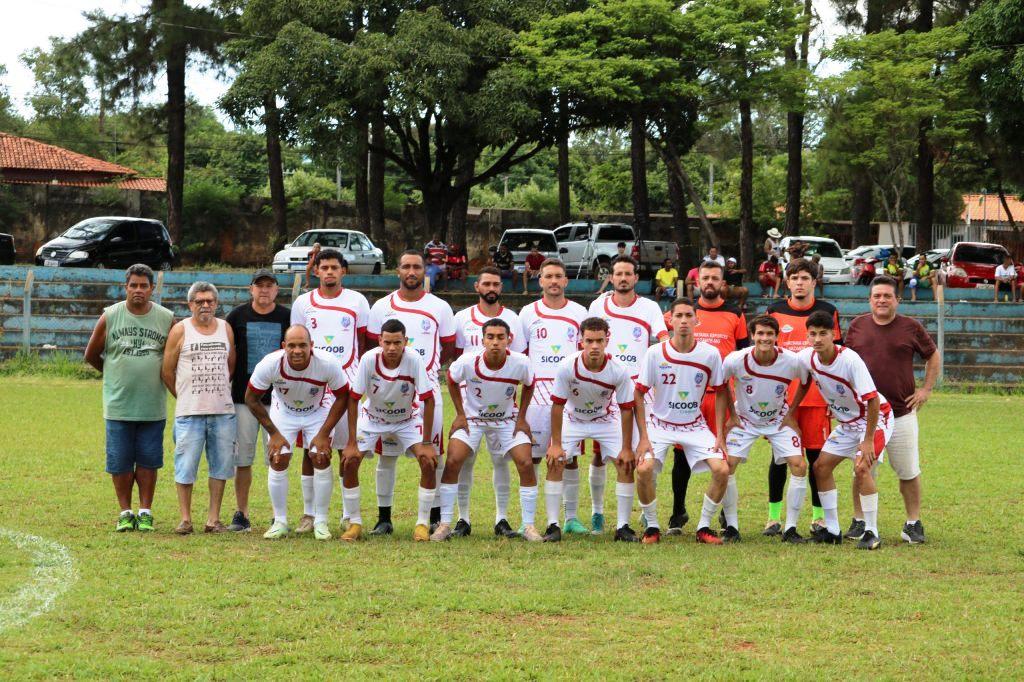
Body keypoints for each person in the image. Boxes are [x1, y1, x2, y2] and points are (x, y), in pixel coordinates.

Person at [365, 250, 456, 535]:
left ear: (425, 271)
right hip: (388, 391)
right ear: (399, 271)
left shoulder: (440, 307)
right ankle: (384, 518)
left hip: (427, 392)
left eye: (417, 267)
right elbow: (372, 345)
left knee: (432, 455)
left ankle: (433, 516)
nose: (411, 272)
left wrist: (422, 374)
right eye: (406, 267)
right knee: (386, 456)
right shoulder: (381, 306)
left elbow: (449, 348)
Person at [844, 275, 939, 544]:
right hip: (867, 416)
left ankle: (912, 522)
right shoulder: (857, 326)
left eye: (887, 296)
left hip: (900, 413)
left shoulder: (910, 327)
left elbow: (932, 355)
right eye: (877, 296)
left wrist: (926, 389)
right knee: (861, 469)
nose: (882, 300)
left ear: (897, 299)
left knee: (908, 471)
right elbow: (846, 364)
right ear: (870, 300)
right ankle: (859, 520)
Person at [790, 310, 894, 550]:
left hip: (876, 419)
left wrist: (867, 440)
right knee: (820, 467)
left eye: (823, 334)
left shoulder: (850, 360)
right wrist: (790, 412)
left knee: (862, 468)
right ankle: (833, 530)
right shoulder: (807, 358)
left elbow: (873, 400)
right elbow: (804, 384)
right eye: (812, 334)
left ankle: (871, 532)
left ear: (833, 334)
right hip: (848, 424)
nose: (817, 339)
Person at [84, 264, 174, 532]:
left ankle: (145, 511)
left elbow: (173, 357)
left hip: (152, 406)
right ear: (125, 287)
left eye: (143, 285)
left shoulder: (166, 318)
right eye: (133, 285)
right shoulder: (110, 316)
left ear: (152, 288)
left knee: (148, 460)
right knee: (120, 461)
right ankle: (125, 512)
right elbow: (91, 354)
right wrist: (113, 374)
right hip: (119, 405)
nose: (138, 290)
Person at [634, 297, 731, 545]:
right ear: (670, 320)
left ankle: (703, 528)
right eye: (679, 316)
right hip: (659, 425)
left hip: (694, 425)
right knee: (643, 469)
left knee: (722, 470)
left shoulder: (710, 354)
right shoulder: (655, 353)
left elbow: (721, 391)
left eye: (689, 316)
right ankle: (652, 527)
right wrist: (643, 437)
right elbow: (639, 392)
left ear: (697, 320)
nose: (684, 321)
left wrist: (719, 434)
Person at [433, 318, 540, 541]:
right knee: (454, 460)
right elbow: (451, 380)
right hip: (473, 419)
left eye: (500, 337)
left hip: (507, 419)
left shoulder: (520, 362)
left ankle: (528, 526)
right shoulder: (467, 361)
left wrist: (521, 419)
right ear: (482, 340)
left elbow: (530, 385)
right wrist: (461, 414)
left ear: (509, 340)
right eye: (490, 337)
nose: (495, 342)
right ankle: (447, 523)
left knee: (526, 462)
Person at [662, 260, 747, 534]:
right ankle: (678, 512)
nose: (709, 282)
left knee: (723, 457)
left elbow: (744, 356)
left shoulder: (735, 314)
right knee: (681, 455)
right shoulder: (685, 312)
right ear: (697, 282)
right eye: (705, 278)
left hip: (722, 396)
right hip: (689, 396)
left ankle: (725, 514)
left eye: (714, 278)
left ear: (722, 283)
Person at [587, 256, 668, 534]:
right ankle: (597, 513)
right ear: (611, 277)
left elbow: (663, 340)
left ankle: (647, 512)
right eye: (618, 274)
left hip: (639, 389)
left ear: (636, 278)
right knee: (599, 454)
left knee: (644, 452)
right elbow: (588, 340)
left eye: (628, 274)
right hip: (604, 387)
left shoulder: (650, 307)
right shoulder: (598, 305)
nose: (623, 278)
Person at [291, 249, 370, 534]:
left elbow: (363, 341)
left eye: (334, 267)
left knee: (348, 452)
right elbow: (297, 343)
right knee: (311, 450)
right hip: (314, 386)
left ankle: (349, 515)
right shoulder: (303, 303)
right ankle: (309, 514)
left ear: (343, 271)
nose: (329, 272)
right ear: (317, 271)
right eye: (324, 267)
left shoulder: (357, 301)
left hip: (347, 384)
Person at [246, 325, 349, 540]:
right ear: (284, 347)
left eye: (303, 345)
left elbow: (343, 396)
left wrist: (324, 433)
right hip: (284, 412)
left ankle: (320, 521)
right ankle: (280, 521)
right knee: (278, 458)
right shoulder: (270, 364)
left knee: (320, 457)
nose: (297, 350)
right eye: (291, 345)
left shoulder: (327, 363)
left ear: (312, 346)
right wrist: (273, 433)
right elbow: (251, 398)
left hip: (317, 410)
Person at [341, 319, 438, 541]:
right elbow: (354, 398)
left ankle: (422, 523)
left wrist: (427, 443)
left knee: (428, 460)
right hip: (373, 418)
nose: (392, 348)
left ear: (406, 341)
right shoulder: (368, 359)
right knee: (350, 460)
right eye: (387, 342)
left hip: (406, 419)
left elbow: (428, 400)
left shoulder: (414, 359)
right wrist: (350, 442)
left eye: (397, 342)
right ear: (380, 341)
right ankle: (354, 523)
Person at [765, 259, 842, 536]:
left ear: (814, 282)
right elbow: (767, 356)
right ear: (787, 282)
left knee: (816, 460)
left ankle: (818, 518)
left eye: (805, 278)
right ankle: (773, 518)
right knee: (780, 459)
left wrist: (836, 400)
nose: (799, 282)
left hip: (818, 400)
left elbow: (837, 358)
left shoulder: (828, 311)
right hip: (783, 401)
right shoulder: (775, 311)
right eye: (794, 277)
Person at [546, 317, 640, 542]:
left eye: (599, 340)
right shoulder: (567, 366)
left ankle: (623, 527)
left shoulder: (619, 369)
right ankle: (553, 525)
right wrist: (556, 445)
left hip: (604, 419)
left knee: (625, 464)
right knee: (555, 461)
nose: (595, 346)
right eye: (589, 341)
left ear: (608, 340)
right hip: (573, 418)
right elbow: (557, 405)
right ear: (581, 341)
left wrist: (627, 448)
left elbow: (627, 409)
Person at [718, 315, 810, 543]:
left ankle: (790, 529)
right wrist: (731, 415)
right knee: (727, 466)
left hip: (779, 421)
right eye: (760, 333)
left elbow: (806, 382)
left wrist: (791, 414)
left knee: (799, 465)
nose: (765, 338)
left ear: (777, 336)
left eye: (770, 334)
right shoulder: (736, 359)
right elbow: (722, 384)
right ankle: (731, 527)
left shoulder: (792, 360)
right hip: (744, 420)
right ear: (752, 336)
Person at [450, 267, 527, 536]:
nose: (491, 288)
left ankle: (501, 519)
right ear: (477, 287)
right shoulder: (461, 318)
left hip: (502, 401)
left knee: (500, 461)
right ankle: (463, 519)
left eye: (496, 283)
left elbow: (518, 362)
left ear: (501, 288)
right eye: (486, 283)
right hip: (469, 400)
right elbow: (455, 358)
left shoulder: (513, 319)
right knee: (465, 460)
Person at [518, 258, 589, 533]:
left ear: (566, 281)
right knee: (534, 457)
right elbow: (521, 354)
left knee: (568, 458)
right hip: (536, 395)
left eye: (559, 276)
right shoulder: (528, 312)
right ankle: (532, 519)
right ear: (540, 281)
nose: (554, 281)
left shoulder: (579, 312)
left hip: (569, 394)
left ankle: (570, 518)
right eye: (549, 276)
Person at [161, 282, 237, 535]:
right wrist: (183, 396)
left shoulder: (225, 328)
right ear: (190, 304)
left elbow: (231, 366)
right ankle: (185, 518)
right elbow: (167, 371)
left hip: (222, 412)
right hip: (189, 413)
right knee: (185, 465)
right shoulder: (180, 330)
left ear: (216, 303)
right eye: (199, 301)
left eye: (210, 301)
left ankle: (213, 519)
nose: (205, 305)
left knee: (221, 466)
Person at [224, 269, 292, 533]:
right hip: (244, 397)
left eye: (269, 286)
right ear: (251, 289)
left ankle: (279, 515)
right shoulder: (237, 316)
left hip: (278, 399)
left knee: (277, 457)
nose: (264, 290)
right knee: (243, 458)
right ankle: (242, 513)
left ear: (276, 290)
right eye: (259, 286)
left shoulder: (287, 316)